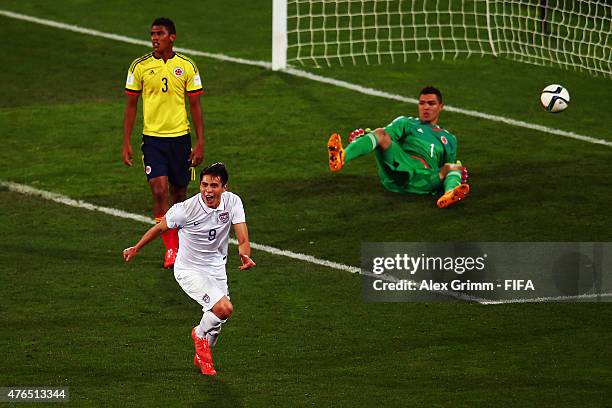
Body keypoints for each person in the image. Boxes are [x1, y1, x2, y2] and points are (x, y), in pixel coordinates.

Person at [123, 163, 256, 376]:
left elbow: (243, 238)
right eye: (204, 185)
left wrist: (245, 254)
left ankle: (202, 355)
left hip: (216, 268)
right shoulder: (186, 209)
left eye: (214, 185)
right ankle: (198, 334)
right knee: (223, 309)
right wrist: (136, 248)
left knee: (219, 320)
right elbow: (159, 228)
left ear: (224, 188)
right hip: (189, 270)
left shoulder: (233, 202)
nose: (208, 190)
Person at [122, 17, 205, 268]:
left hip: (181, 139)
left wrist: (200, 142)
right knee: (159, 191)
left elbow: (195, 106)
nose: (154, 38)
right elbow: (131, 105)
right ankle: (171, 249)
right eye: (152, 34)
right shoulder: (139, 67)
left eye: (159, 33)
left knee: (179, 194)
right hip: (153, 141)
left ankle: (181, 244)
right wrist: (126, 141)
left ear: (172, 37)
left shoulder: (187, 66)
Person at [327, 86, 469, 208]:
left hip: (424, 178)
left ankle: (450, 193)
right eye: (422, 103)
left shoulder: (450, 139)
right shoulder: (406, 123)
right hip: (400, 165)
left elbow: (446, 165)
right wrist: (363, 136)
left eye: (431, 103)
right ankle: (341, 156)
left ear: (441, 106)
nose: (426, 107)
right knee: (380, 133)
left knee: (454, 167)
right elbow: (383, 136)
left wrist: (457, 176)